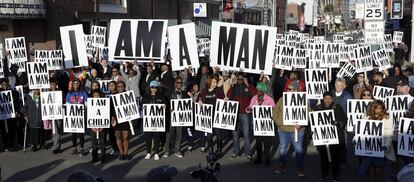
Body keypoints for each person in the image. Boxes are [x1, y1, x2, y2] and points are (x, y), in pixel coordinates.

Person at [355, 100, 395, 182]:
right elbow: (361, 131)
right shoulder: (367, 116)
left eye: (379, 108)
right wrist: (355, 139)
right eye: (375, 108)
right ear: (372, 108)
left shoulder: (387, 117)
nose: (377, 110)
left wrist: (386, 146)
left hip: (381, 146)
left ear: (382, 108)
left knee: (379, 168)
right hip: (369, 146)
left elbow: (389, 132)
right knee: (371, 167)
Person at [273, 81, 305, 176]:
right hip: (283, 129)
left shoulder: (303, 100)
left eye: (289, 89)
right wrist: (277, 121)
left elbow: (308, 114)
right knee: (282, 149)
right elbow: (275, 111)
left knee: (298, 149)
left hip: (297, 130)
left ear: (296, 90)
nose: (287, 90)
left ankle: (300, 168)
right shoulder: (282, 99)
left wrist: (301, 124)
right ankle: (281, 166)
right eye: (287, 88)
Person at [314, 92, 347, 181]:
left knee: (335, 157)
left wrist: (337, 123)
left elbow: (344, 120)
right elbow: (313, 122)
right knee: (323, 157)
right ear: (323, 99)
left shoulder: (337, 107)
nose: (327, 100)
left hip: (335, 137)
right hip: (322, 137)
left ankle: (335, 175)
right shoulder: (318, 108)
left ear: (332, 99)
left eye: (329, 98)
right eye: (325, 98)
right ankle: (324, 174)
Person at [227, 72, 256, 160]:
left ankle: (248, 153)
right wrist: (232, 85)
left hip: (245, 113)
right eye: (238, 79)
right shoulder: (234, 86)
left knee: (246, 135)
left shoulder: (248, 86)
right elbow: (228, 96)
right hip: (235, 114)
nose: (239, 81)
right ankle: (236, 153)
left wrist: (248, 85)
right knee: (235, 135)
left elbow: (254, 95)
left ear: (244, 79)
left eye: (241, 79)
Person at [246, 82, 275, 165]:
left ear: (264, 91)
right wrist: (248, 108)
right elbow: (249, 108)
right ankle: (259, 158)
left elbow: (274, 110)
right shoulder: (254, 98)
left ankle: (267, 158)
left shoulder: (269, 99)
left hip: (266, 125)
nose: (258, 92)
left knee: (266, 143)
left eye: (259, 90)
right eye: (257, 90)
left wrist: (271, 113)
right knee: (258, 143)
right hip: (257, 125)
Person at [198, 75, 225, 155]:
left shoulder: (219, 90)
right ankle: (211, 150)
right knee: (209, 137)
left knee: (219, 136)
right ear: (209, 82)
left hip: (216, 117)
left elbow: (223, 99)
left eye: (216, 82)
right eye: (213, 82)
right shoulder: (204, 91)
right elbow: (201, 100)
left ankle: (219, 149)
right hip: (208, 117)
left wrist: (225, 99)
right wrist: (200, 102)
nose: (215, 83)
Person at [164, 77, 189, 158]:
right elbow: (165, 103)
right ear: (175, 83)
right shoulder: (169, 93)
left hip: (180, 117)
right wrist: (168, 109)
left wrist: (190, 107)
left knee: (179, 134)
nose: (179, 84)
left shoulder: (184, 93)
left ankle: (177, 150)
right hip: (171, 116)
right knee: (170, 134)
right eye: (178, 82)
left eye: (181, 83)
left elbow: (187, 104)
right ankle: (167, 150)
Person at [143, 80, 167, 160]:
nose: (154, 89)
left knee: (157, 137)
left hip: (158, 121)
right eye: (152, 87)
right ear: (150, 88)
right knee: (148, 137)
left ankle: (156, 153)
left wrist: (164, 106)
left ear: (158, 88)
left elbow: (165, 105)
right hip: (148, 121)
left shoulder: (162, 96)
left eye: (155, 87)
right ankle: (148, 152)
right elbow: (141, 106)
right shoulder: (145, 96)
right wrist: (142, 108)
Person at [65, 78, 88, 156]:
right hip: (72, 116)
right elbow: (67, 105)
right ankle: (74, 148)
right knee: (73, 134)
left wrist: (83, 110)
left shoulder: (83, 93)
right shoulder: (69, 93)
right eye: (74, 83)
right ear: (72, 85)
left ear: (79, 84)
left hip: (81, 116)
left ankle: (82, 148)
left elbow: (86, 104)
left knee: (81, 134)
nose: (76, 85)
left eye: (77, 83)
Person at [0, 78, 22, 152]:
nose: (5, 86)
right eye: (3, 85)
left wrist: (16, 111)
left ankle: (12, 144)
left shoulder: (13, 92)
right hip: (2, 116)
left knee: (12, 129)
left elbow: (16, 103)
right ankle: (6, 145)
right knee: (3, 131)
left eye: (6, 84)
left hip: (11, 115)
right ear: (1, 85)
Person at [112, 81, 131, 160]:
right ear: (116, 87)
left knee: (126, 137)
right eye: (118, 86)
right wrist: (112, 117)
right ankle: (121, 153)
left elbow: (132, 107)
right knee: (118, 136)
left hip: (126, 119)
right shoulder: (113, 96)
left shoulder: (128, 95)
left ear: (124, 87)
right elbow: (111, 108)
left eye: (122, 86)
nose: (120, 88)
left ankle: (126, 153)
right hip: (116, 119)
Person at [90, 90, 107, 163]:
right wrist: (92, 127)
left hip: (102, 126)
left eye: (98, 95)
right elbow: (88, 116)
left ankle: (103, 156)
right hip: (93, 126)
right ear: (92, 97)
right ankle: (94, 157)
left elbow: (106, 115)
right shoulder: (90, 104)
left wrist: (103, 126)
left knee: (102, 142)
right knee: (94, 142)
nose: (96, 97)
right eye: (95, 96)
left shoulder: (105, 104)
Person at [50, 77, 64, 154]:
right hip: (51, 114)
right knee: (54, 132)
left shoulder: (59, 93)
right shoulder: (47, 93)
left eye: (54, 84)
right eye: (52, 84)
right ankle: (56, 147)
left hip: (58, 114)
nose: (53, 86)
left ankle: (57, 146)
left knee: (58, 131)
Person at [107, 81, 119, 156]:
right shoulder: (106, 95)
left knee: (117, 134)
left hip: (116, 117)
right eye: (110, 86)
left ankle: (119, 148)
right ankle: (114, 148)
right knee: (111, 134)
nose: (111, 87)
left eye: (113, 85)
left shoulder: (118, 94)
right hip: (108, 117)